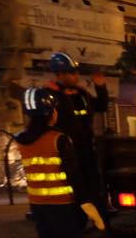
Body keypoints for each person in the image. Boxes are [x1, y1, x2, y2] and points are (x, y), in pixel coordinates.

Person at [16, 87, 105, 238]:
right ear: (50, 113)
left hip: (38, 204)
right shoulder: (59, 140)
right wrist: (86, 203)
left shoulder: (21, 140)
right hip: (62, 204)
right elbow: (73, 175)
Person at [46, 52, 108, 209]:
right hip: (66, 152)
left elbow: (101, 106)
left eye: (76, 72)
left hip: (86, 149)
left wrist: (100, 87)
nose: (76, 76)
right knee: (73, 191)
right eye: (71, 73)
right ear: (59, 74)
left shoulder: (82, 94)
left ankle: (100, 218)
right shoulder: (51, 96)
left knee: (94, 188)